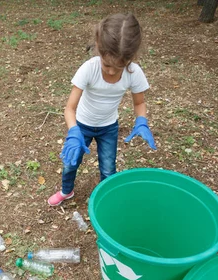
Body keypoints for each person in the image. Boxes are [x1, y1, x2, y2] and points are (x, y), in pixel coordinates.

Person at [48, 13, 156, 206]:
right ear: (98, 49)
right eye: (107, 64)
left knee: (108, 168)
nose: (112, 71)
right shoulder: (89, 69)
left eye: (119, 66)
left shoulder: (134, 72)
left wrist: (142, 121)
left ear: (131, 58)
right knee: (70, 163)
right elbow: (70, 108)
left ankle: (107, 198)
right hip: (81, 125)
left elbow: (139, 103)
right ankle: (67, 190)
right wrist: (73, 132)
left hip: (109, 128)